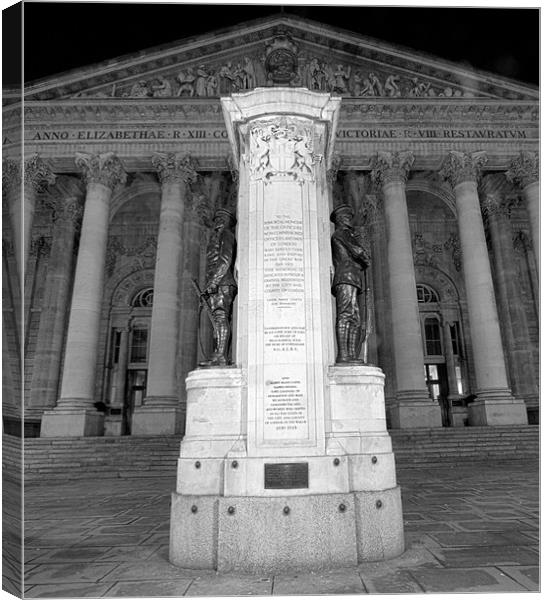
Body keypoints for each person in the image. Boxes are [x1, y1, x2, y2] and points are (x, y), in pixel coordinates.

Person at [330, 204, 370, 364]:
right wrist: (364, 258)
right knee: (346, 314)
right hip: (345, 277)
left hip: (351, 278)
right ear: (340, 220)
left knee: (354, 317)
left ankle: (351, 355)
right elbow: (358, 251)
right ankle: (344, 355)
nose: (350, 221)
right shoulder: (341, 234)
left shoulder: (346, 234)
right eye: (347, 218)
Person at [199, 209, 237, 367]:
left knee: (220, 317)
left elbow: (225, 259)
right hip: (216, 283)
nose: (218, 221)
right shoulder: (216, 236)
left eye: (221, 218)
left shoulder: (226, 234)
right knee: (217, 319)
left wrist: (213, 282)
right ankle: (218, 354)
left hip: (222, 282)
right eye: (217, 219)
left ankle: (221, 355)